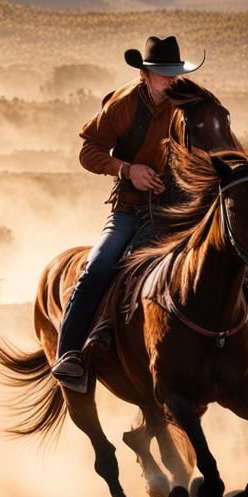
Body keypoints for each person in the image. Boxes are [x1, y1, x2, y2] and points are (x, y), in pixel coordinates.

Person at [51, 35, 204, 393]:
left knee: (222, 254)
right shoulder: (123, 104)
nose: (170, 80)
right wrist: (127, 169)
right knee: (98, 267)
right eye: (163, 74)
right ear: (144, 74)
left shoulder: (190, 104)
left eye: (173, 74)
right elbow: (89, 152)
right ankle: (69, 353)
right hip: (130, 209)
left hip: (179, 210)